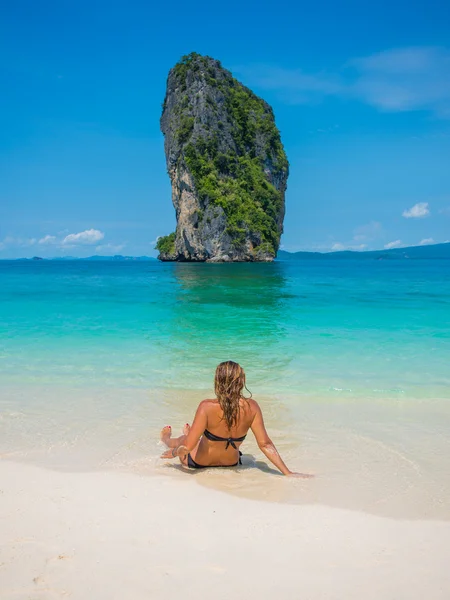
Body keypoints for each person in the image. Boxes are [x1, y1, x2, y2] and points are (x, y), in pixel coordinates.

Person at [160, 360, 313, 478]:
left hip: (198, 463)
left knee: (184, 440)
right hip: (231, 463)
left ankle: (167, 438)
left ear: (218, 381)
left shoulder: (206, 406)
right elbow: (265, 444)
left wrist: (173, 453)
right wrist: (288, 473)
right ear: (241, 381)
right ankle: (193, 432)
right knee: (195, 439)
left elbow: (186, 448)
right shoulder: (252, 407)